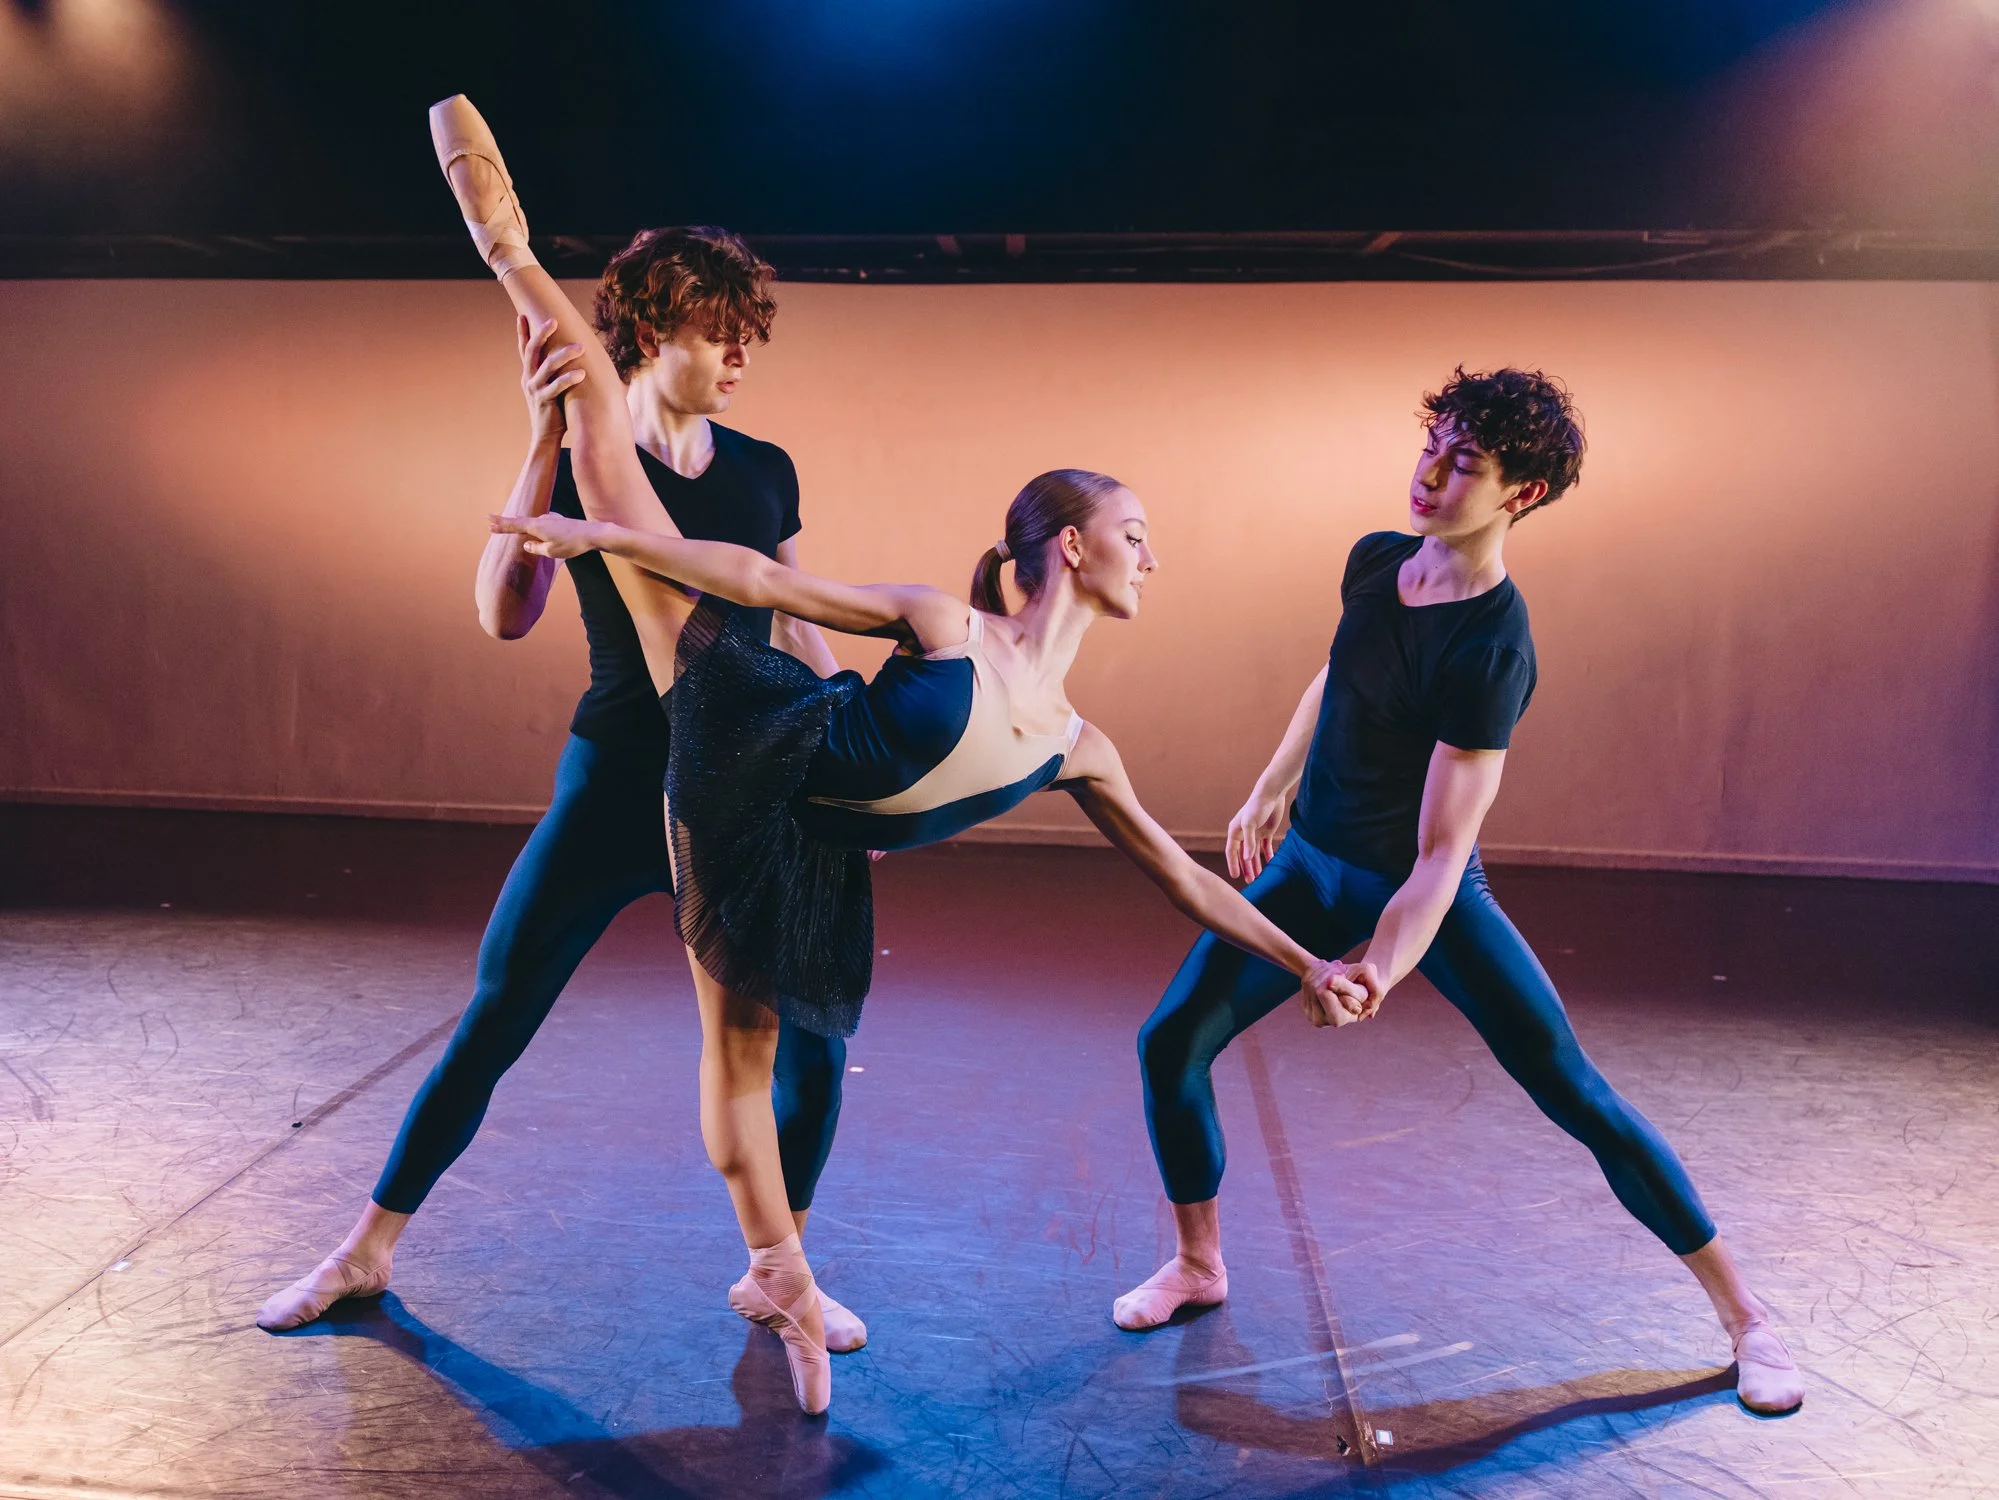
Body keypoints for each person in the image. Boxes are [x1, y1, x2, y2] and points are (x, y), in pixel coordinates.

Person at [423, 94, 1367, 1416]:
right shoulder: (945, 621)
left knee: (760, 1056)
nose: (1154, 552)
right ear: (1071, 548)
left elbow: (1191, 885)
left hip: (788, 824)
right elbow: (763, 578)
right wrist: (608, 545)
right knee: (585, 409)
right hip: (745, 716)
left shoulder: (1084, 745)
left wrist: (1304, 958)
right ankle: (502, 234)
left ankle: (778, 1278)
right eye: (1134, 529)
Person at [1111, 366, 1806, 1416]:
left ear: (1520, 494)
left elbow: (1438, 857)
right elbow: (1338, 670)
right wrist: (1269, 784)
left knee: (1575, 1093)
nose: (1431, 475)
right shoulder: (1375, 560)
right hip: (1309, 867)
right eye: (1431, 446)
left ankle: (1748, 1318)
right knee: (1170, 1044)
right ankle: (1199, 1265)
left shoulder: (1492, 646)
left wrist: (1377, 967)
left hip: (1422, 899)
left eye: (1465, 464)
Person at [257, 226, 869, 1358]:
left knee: (812, 1045)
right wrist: (539, 436)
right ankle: (367, 1247)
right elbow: (502, 612)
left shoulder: (764, 468)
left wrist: (841, 776)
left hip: (739, 790)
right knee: (496, 1017)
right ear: (646, 330)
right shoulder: (584, 453)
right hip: (616, 779)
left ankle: (778, 1269)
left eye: (747, 336)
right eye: (716, 331)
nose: (739, 355)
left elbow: (793, 622)